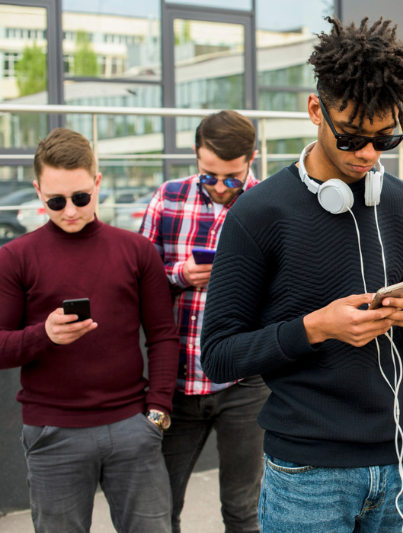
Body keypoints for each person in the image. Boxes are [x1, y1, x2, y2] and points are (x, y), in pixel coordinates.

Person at [199, 17, 403, 533]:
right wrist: (315, 328)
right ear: (316, 109)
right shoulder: (257, 214)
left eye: (387, 139)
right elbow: (220, 354)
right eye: (354, 137)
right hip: (308, 474)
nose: (369, 156)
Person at [0, 128, 179, 533]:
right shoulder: (14, 257)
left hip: (133, 426)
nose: (69, 211)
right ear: (37, 190)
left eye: (81, 197)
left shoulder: (135, 251)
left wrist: (158, 411)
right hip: (52, 432)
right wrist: (43, 335)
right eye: (55, 201)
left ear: (98, 183)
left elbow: (163, 335)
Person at [139, 110, 269, 533]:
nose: (219, 187)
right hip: (176, 383)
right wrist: (180, 275)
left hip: (245, 383)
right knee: (161, 507)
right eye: (210, 175)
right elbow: (132, 283)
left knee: (243, 509)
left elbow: (290, 293)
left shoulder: (269, 205)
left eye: (232, 178)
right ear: (196, 155)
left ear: (252, 157)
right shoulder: (167, 198)